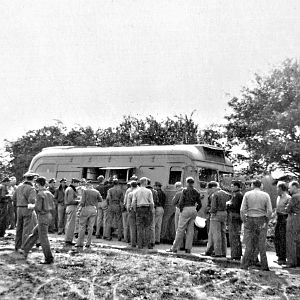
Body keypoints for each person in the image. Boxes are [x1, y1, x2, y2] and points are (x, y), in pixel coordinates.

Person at [240, 179, 272, 271]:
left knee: (249, 244)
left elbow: (242, 210)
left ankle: (245, 265)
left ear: (252, 185)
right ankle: (264, 265)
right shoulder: (266, 195)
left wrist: (244, 219)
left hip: (250, 218)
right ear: (261, 185)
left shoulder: (247, 194)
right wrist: (266, 219)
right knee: (261, 244)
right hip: (261, 219)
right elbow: (269, 210)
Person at [22, 177, 54, 264]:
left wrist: (31, 206)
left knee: (43, 238)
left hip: (42, 216)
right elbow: (53, 206)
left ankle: (49, 258)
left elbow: (38, 208)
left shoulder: (40, 194)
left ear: (38, 184)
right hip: (48, 215)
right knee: (35, 233)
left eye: (36, 184)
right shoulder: (49, 193)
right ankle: (24, 250)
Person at [167, 177, 202, 254]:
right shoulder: (196, 191)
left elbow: (181, 202)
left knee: (180, 229)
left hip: (186, 209)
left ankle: (174, 248)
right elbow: (200, 204)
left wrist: (181, 210)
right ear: (193, 183)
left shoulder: (184, 190)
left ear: (187, 183)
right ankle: (188, 248)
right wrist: (196, 210)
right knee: (190, 230)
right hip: (193, 209)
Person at [204, 181, 231, 257]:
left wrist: (210, 212)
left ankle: (217, 252)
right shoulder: (227, 194)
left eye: (209, 188)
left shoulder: (214, 195)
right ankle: (223, 252)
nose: (208, 190)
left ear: (213, 188)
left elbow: (213, 207)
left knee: (216, 234)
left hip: (216, 215)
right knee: (223, 234)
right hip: (225, 214)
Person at [14, 172, 37, 252]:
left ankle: (17, 246)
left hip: (19, 208)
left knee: (19, 228)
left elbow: (14, 197)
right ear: (32, 179)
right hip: (27, 208)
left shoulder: (19, 187)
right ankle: (24, 247)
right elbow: (32, 200)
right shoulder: (31, 188)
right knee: (27, 228)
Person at [76, 181, 102, 249]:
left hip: (86, 208)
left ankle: (80, 243)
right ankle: (88, 243)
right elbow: (100, 200)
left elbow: (82, 202)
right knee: (91, 227)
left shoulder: (85, 191)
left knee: (82, 226)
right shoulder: (96, 191)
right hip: (93, 209)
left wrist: (79, 209)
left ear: (87, 185)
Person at [132, 177, 154, 249]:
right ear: (145, 182)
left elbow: (133, 203)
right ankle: (147, 244)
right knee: (147, 227)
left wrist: (136, 210)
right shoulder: (148, 191)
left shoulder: (135, 191)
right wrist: (151, 210)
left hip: (139, 209)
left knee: (139, 228)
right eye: (146, 182)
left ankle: (140, 245)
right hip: (147, 209)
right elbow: (151, 203)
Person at [274, 181, 290, 265]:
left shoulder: (288, 198)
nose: (276, 190)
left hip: (284, 218)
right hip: (278, 217)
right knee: (277, 237)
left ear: (281, 188)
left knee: (282, 238)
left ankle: (283, 257)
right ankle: (279, 255)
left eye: (277, 188)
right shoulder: (278, 197)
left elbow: (289, 210)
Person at [227, 181, 243, 261]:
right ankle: (237, 254)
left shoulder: (237, 195)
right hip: (237, 217)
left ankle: (235, 255)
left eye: (233, 186)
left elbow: (234, 206)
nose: (231, 187)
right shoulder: (237, 195)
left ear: (237, 187)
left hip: (234, 217)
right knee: (235, 236)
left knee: (234, 236)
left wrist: (228, 204)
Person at [285, 181, 300, 268]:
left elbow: (288, 209)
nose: (289, 190)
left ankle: (291, 262)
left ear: (295, 187)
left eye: (290, 188)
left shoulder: (294, 197)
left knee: (291, 240)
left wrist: (286, 207)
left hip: (294, 218)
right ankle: (298, 261)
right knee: (298, 240)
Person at [64, 178, 80, 246]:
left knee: (69, 224)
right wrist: (78, 201)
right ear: (73, 182)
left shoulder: (69, 188)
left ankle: (68, 239)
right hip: (71, 206)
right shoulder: (70, 189)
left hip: (69, 207)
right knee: (71, 225)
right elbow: (70, 200)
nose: (77, 184)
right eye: (76, 182)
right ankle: (68, 240)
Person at [171, 181, 185, 249]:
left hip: (179, 210)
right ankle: (186, 245)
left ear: (177, 187)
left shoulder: (178, 193)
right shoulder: (186, 191)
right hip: (187, 210)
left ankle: (179, 245)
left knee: (178, 228)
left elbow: (173, 202)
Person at [127, 180, 139, 247]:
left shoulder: (131, 193)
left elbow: (128, 205)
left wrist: (129, 210)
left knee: (132, 227)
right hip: (140, 211)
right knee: (140, 227)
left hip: (133, 211)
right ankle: (139, 242)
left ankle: (133, 243)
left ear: (131, 186)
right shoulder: (141, 191)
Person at [146, 179, 158, 248]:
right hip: (153, 208)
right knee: (152, 226)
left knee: (145, 226)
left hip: (145, 208)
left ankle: (146, 241)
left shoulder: (144, 191)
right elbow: (156, 201)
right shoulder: (155, 192)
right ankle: (152, 241)